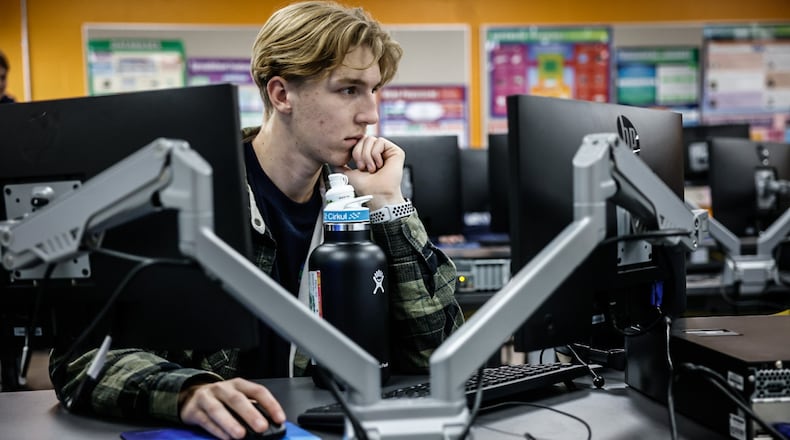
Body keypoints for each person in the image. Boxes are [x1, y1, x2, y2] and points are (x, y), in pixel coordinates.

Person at [48, 2, 464, 439]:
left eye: (374, 90)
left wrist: (387, 201)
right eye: (348, 90)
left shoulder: (361, 207)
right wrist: (185, 393)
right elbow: (82, 358)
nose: (371, 114)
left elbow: (440, 357)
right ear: (282, 94)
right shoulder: (186, 199)